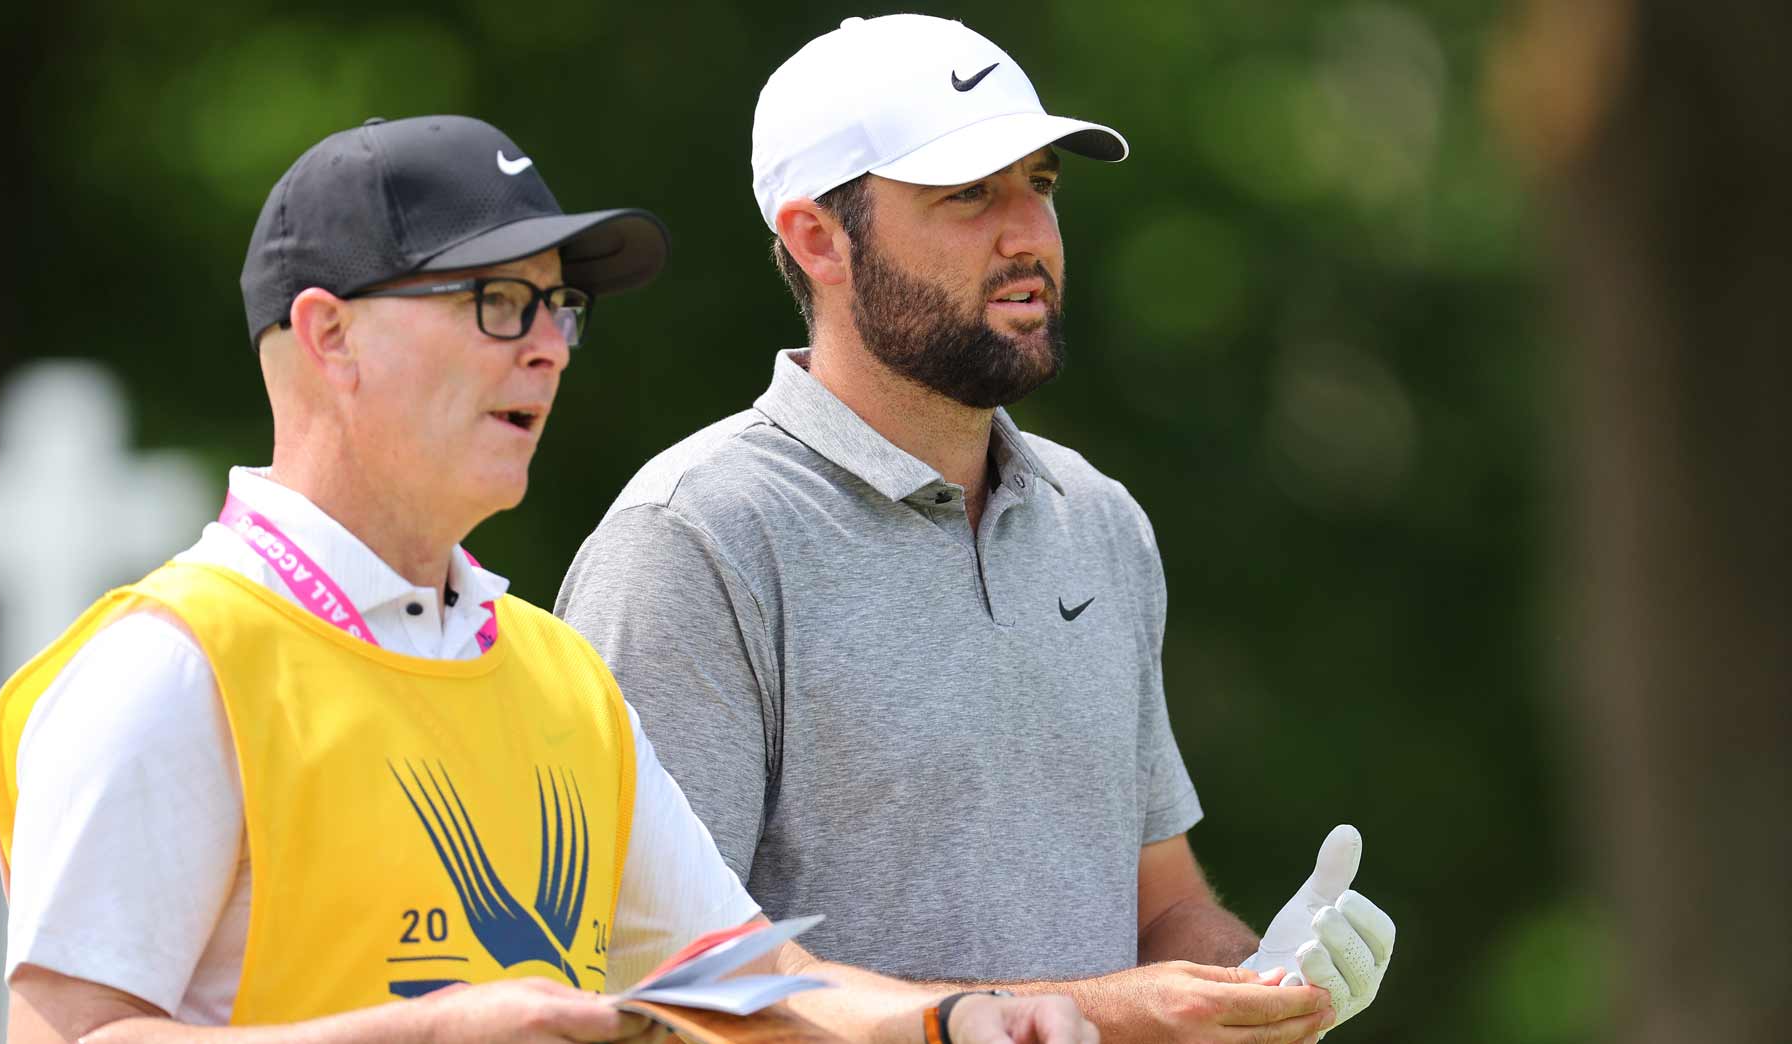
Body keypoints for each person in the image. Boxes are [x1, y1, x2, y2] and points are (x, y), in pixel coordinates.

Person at [0, 114, 1093, 1044]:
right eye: (495, 303)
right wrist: (423, 1032)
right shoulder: (172, 666)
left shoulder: (555, 672)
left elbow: (731, 987)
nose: (549, 348)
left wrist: (957, 1022)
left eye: (559, 307)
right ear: (329, 337)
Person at [555, 15, 1395, 1044]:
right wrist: (1087, 1018)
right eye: (966, 194)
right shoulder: (694, 538)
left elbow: (1155, 900)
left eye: (1038, 184)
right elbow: (668, 975)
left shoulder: (1097, 523)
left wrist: (1252, 978)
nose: (1027, 235)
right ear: (816, 237)